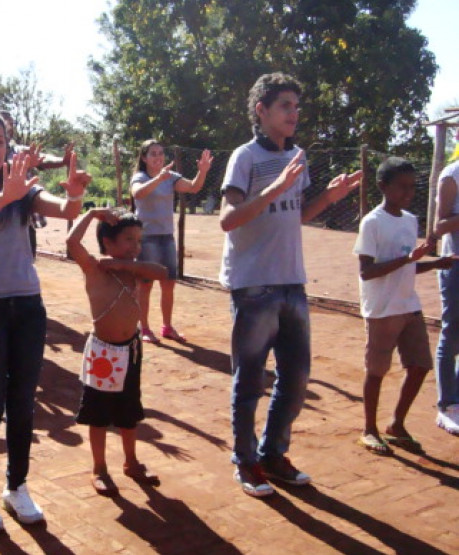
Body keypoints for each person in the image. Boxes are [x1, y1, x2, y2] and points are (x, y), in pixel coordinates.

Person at [0, 109, 91, 531]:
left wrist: (76, 194)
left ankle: (17, 486)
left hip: (27, 306)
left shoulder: (22, 187)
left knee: (23, 404)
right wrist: (5, 197)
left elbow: (63, 209)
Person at [219, 73, 362, 497]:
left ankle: (272, 454)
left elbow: (296, 215)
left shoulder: (298, 155)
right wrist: (275, 187)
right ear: (261, 111)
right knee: (249, 381)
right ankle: (245, 463)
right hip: (253, 285)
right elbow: (229, 220)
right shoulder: (244, 158)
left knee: (296, 377)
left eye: (296, 107)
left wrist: (330, 198)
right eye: (285, 106)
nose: (293, 114)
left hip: (292, 282)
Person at [66, 207, 167, 496]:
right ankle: (99, 467)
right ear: (108, 243)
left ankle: (131, 461)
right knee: (98, 415)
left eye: (138, 240)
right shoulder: (95, 269)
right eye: (128, 240)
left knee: (128, 411)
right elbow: (72, 243)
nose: (135, 247)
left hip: (131, 350)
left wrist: (127, 266)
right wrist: (91, 214)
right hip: (103, 353)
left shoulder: (135, 269)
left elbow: (161, 272)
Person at [354, 158, 450, 455]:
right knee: (376, 371)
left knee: (420, 365)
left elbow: (407, 267)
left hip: (409, 305)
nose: (408, 193)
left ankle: (396, 424)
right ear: (384, 187)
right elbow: (366, 271)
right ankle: (369, 429)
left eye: (412, 187)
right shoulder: (372, 222)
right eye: (402, 187)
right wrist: (409, 260)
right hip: (382, 309)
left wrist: (434, 264)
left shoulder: (410, 220)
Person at [131, 139, 213, 342]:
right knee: (146, 285)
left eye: (160, 153)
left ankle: (167, 327)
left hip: (166, 237)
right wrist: (159, 178)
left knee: (168, 284)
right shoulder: (140, 177)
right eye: (153, 153)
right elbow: (138, 194)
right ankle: (145, 329)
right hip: (146, 238)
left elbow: (193, 187)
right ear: (144, 158)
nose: (158, 157)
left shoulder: (170, 177)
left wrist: (202, 171)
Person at [0, 109, 71, 257]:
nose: (9, 129)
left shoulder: (20, 151)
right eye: (5, 125)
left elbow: (43, 159)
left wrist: (63, 161)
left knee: (27, 260)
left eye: (11, 125)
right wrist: (22, 165)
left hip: (23, 216)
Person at [433, 150, 459, 436]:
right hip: (455, 266)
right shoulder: (452, 175)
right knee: (451, 333)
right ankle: (447, 406)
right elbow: (440, 226)